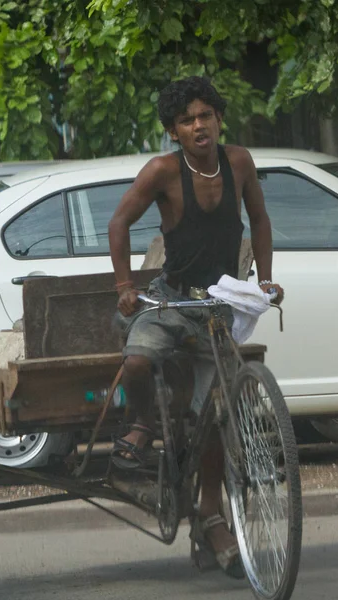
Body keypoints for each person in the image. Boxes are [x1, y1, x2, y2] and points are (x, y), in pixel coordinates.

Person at [107, 76, 284, 577]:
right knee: (138, 361)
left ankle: (210, 511)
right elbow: (119, 222)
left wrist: (266, 281)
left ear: (219, 119)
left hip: (217, 309)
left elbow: (261, 219)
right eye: (187, 120)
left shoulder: (240, 162)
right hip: (168, 302)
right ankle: (142, 422)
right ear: (173, 131)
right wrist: (124, 285)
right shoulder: (162, 171)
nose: (199, 125)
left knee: (215, 414)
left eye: (206, 115)